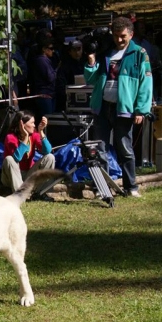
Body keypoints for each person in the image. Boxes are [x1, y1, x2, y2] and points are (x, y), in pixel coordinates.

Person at [84, 17, 153, 198]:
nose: (119, 40)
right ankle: (103, 188)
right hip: (103, 107)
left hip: (124, 109)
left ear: (131, 34)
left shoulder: (139, 53)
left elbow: (146, 83)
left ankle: (131, 187)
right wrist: (91, 62)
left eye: (123, 36)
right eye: (116, 36)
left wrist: (141, 110)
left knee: (125, 148)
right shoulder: (106, 53)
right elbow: (91, 79)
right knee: (101, 149)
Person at [1, 110, 55, 191]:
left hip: (28, 174)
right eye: (32, 123)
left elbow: (47, 151)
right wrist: (26, 137)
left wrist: (41, 131)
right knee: (9, 159)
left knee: (50, 157)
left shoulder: (34, 135)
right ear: (22, 124)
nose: (34, 125)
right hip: (12, 176)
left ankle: (41, 192)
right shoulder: (10, 138)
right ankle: (20, 194)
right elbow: (17, 158)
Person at [31, 37, 57, 120]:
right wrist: (56, 71)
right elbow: (50, 77)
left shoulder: (45, 60)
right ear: (44, 49)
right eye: (51, 48)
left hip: (48, 95)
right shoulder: (42, 61)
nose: (53, 51)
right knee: (47, 120)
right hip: (44, 95)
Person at [55, 40, 85, 111]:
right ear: (70, 52)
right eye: (74, 50)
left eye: (79, 49)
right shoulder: (64, 66)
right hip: (70, 101)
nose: (77, 53)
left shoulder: (85, 63)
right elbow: (61, 86)